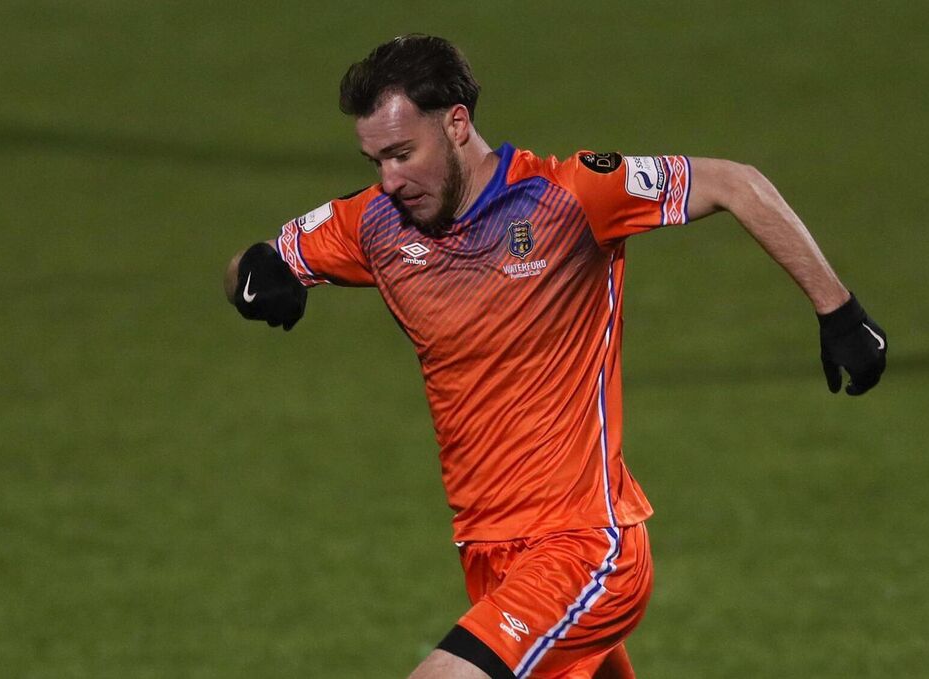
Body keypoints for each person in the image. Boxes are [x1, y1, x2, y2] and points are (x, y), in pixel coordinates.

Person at [223, 34, 887, 679]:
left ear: (456, 124)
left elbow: (736, 184)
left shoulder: (569, 197)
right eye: (376, 161)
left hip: (583, 545)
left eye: (402, 153)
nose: (390, 180)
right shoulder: (376, 225)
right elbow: (256, 261)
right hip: (489, 554)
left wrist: (840, 312)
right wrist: (254, 274)